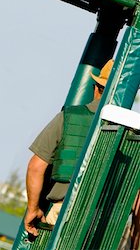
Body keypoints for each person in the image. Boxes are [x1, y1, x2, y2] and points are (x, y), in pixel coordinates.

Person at [24, 59, 114, 237]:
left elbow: (36, 167)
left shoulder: (68, 117)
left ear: (96, 87)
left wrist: (33, 209)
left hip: (62, 213)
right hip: (104, 224)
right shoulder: (131, 132)